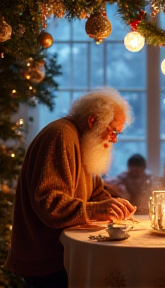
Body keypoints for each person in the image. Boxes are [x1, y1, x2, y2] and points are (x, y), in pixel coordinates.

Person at [4, 87, 136, 288]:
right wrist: (98, 210)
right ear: (93, 121)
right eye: (114, 131)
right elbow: (49, 203)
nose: (115, 139)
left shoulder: (83, 140)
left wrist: (118, 206)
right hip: (47, 260)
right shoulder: (61, 136)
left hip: (62, 254)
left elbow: (96, 193)